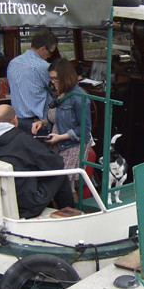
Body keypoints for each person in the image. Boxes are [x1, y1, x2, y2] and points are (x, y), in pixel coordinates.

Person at [0, 104, 74, 218]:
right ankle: (71, 215)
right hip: (25, 206)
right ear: (15, 120)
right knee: (59, 174)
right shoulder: (23, 140)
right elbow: (56, 163)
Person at [45, 58, 93, 190]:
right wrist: (42, 122)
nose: (52, 82)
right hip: (57, 144)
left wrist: (60, 137)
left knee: (64, 184)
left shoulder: (78, 97)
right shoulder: (57, 93)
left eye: (55, 78)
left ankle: (71, 207)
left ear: (64, 77)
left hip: (72, 145)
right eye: (51, 78)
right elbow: (56, 118)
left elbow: (84, 129)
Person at [7, 29, 58, 133]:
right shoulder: (43, 67)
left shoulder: (13, 63)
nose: (49, 57)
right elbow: (57, 90)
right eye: (51, 53)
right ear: (43, 49)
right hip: (37, 123)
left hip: (17, 120)